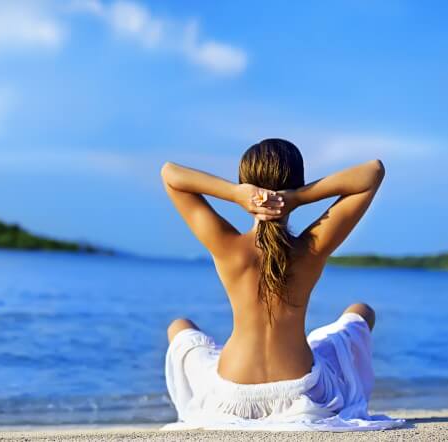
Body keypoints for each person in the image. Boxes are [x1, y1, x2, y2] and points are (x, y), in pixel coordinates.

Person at [160, 138, 404, 431]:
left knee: (180, 326)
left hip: (231, 394)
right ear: (297, 183)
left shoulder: (227, 246)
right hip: (300, 393)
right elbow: (372, 172)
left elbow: (170, 174)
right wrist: (299, 197)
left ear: (245, 183)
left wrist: (236, 194)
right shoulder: (311, 248)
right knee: (360, 311)